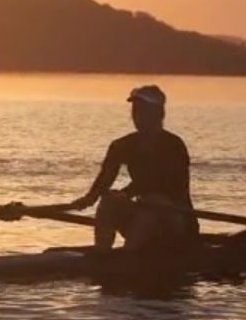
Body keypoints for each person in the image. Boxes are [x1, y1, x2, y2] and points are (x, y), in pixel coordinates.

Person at [68, 85, 198, 253]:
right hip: (144, 216)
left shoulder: (173, 146)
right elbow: (105, 179)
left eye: (144, 112)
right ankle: (102, 253)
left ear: (160, 114)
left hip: (175, 219)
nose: (138, 117)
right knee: (109, 202)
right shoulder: (122, 145)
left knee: (154, 202)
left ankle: (128, 256)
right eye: (136, 111)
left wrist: (126, 193)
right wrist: (89, 198)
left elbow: (165, 184)